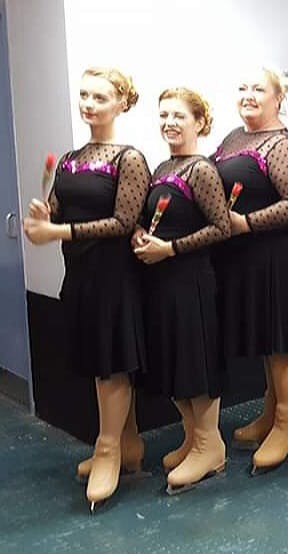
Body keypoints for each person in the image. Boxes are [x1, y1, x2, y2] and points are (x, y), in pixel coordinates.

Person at [23, 66, 149, 511]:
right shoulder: (71, 159)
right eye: (84, 95)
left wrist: (57, 232)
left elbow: (123, 222)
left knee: (111, 363)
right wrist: (44, 218)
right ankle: (128, 444)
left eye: (99, 97)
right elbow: (58, 211)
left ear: (121, 103)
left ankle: (108, 449)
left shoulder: (129, 159)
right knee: (99, 358)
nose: (89, 104)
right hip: (78, 273)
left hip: (114, 275)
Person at [212, 67, 288, 474]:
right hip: (244, 257)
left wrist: (247, 223)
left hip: (278, 256)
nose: (249, 95)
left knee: (282, 341)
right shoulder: (234, 137)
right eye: (243, 87)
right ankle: (272, 412)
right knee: (267, 339)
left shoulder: (282, 144)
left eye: (258, 89)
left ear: (278, 98)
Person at [132, 87, 231, 493]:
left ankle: (210, 446)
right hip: (161, 284)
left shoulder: (201, 170)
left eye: (179, 116)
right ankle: (192, 437)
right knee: (174, 363)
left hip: (191, 281)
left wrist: (170, 249)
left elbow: (221, 228)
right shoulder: (161, 168)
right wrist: (140, 233)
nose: (169, 123)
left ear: (199, 122)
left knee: (195, 364)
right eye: (164, 116)